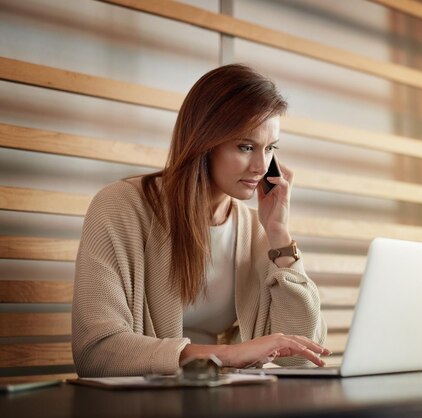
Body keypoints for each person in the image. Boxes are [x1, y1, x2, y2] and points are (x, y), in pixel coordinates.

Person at [71, 64, 329, 377]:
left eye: (270, 148)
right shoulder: (120, 207)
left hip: (224, 399)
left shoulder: (257, 230)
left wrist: (279, 235)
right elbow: (96, 351)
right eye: (245, 147)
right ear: (204, 141)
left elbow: (302, 356)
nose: (261, 165)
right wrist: (226, 355)